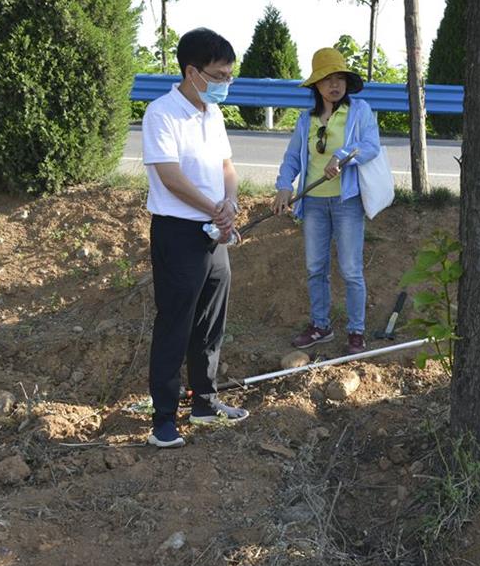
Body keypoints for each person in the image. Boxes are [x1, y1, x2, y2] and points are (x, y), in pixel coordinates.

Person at [141, 28, 249, 449]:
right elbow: (170, 176)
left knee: (210, 320)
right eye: (219, 75)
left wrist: (230, 203)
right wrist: (212, 208)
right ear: (192, 72)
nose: (226, 83)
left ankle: (204, 402)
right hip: (179, 231)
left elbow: (226, 167)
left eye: (229, 75)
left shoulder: (213, 113)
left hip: (214, 232)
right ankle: (163, 419)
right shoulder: (162, 114)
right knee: (176, 322)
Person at [273, 48, 381, 355]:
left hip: (347, 202)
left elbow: (371, 145)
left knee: (351, 269)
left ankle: (356, 331)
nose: (334, 85)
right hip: (314, 203)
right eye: (327, 79)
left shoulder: (359, 111)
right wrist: (284, 186)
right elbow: (292, 158)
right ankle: (320, 326)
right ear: (316, 85)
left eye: (340, 79)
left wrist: (342, 156)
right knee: (315, 267)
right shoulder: (305, 120)